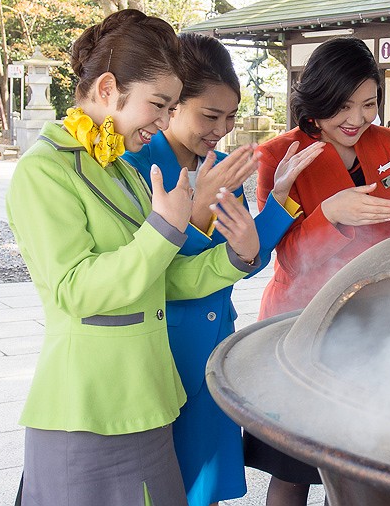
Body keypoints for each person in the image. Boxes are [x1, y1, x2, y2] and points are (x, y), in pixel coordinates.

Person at [6, 9, 262, 506]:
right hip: (84, 410)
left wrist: (236, 256)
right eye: (159, 105)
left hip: (150, 401)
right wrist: (166, 226)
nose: (166, 121)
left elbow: (163, 278)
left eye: (170, 108)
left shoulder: (120, 170)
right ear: (107, 90)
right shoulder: (43, 171)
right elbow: (76, 290)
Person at [122, 32, 323, 506]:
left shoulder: (215, 165)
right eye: (209, 116)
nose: (221, 128)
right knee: (167, 483)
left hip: (214, 349)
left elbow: (238, 263)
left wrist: (276, 203)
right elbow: (146, 270)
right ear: (171, 107)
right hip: (165, 348)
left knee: (206, 483)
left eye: (230, 116)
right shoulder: (136, 165)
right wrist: (194, 214)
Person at [247, 36, 390, 506]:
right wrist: (330, 214)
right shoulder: (279, 155)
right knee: (292, 468)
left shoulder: (388, 142)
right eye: (341, 107)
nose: (356, 120)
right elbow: (284, 254)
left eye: (368, 104)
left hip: (373, 317)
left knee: (355, 460)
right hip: (301, 320)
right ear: (317, 102)